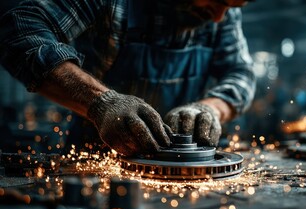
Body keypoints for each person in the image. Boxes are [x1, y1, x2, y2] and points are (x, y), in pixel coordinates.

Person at [0, 0, 256, 156]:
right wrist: (101, 103)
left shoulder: (223, 13)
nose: (219, 17)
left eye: (232, 6)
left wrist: (210, 109)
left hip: (184, 169)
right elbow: (18, 29)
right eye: (217, 1)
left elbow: (241, 73)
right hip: (97, 160)